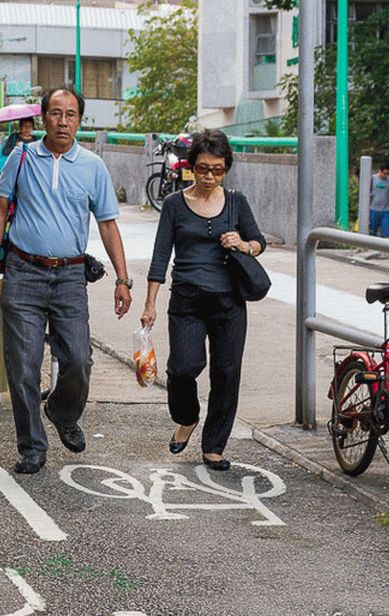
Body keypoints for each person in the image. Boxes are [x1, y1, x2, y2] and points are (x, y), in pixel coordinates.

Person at [0, 87, 132, 475]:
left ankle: (63, 412)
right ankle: (32, 446)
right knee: (24, 366)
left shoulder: (93, 166)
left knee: (79, 359)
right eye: (55, 113)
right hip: (23, 272)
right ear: (43, 117)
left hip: (69, 276)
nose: (62, 121)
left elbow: (108, 224)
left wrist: (123, 279)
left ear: (79, 120)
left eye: (70, 115)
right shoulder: (23, 157)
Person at [140, 129, 266, 472]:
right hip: (186, 300)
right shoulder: (174, 205)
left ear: (226, 168)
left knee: (226, 373)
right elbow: (160, 257)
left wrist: (243, 245)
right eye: (203, 168)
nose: (210, 176)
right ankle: (187, 417)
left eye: (218, 169)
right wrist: (149, 304)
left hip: (229, 302)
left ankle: (214, 446)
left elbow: (259, 242)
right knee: (183, 368)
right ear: (191, 166)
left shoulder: (237, 202)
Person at [368, 163, 389, 238]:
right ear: (380, 171)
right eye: (384, 173)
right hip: (373, 209)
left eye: (388, 173)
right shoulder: (373, 178)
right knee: (372, 231)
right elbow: (369, 193)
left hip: (385, 210)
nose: (386, 175)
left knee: (387, 232)